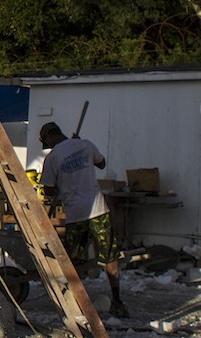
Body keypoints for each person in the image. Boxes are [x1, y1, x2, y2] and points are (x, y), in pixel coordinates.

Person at [39, 121, 128, 318]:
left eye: (47, 142)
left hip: (75, 215)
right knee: (110, 257)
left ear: (51, 136)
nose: (48, 146)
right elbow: (102, 163)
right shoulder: (85, 145)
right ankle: (117, 300)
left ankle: (79, 305)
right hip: (99, 210)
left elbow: (48, 189)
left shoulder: (53, 157)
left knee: (75, 262)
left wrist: (63, 183)